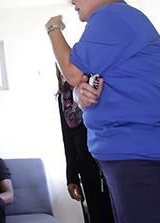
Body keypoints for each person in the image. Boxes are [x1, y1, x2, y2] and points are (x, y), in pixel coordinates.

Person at [46, 0, 160, 223]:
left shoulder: (113, 17)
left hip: (146, 158)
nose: (73, 0)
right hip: (136, 158)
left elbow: (72, 71)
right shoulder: (114, 26)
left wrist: (53, 29)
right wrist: (79, 95)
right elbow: (82, 84)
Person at [56, 66, 114, 223]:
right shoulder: (63, 98)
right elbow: (67, 138)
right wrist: (72, 177)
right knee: (97, 214)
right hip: (85, 164)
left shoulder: (94, 84)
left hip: (109, 158)